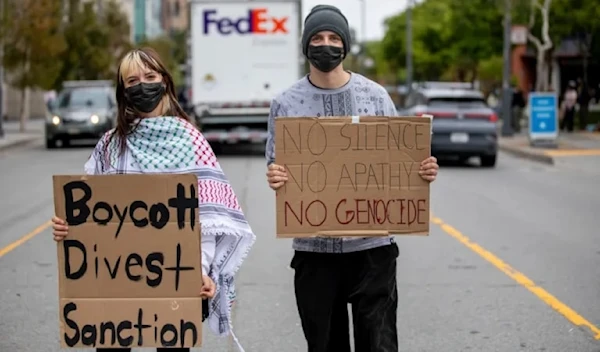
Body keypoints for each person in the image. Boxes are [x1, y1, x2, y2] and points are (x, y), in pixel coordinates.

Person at [51, 47, 256, 352]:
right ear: (123, 92)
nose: (142, 85)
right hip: (114, 281)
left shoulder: (191, 140)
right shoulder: (109, 146)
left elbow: (205, 221)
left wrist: (197, 270)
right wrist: (67, 227)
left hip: (174, 279)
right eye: (132, 81)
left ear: (164, 82)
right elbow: (88, 213)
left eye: (149, 76)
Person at [265, 5, 439, 352]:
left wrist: (421, 173)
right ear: (305, 45)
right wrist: (275, 175)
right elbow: (276, 163)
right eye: (317, 38)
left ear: (345, 45)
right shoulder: (284, 103)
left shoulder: (375, 97)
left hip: (372, 250)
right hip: (315, 251)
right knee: (325, 344)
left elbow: (399, 162)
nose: (325, 45)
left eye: (333, 38)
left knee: (378, 343)